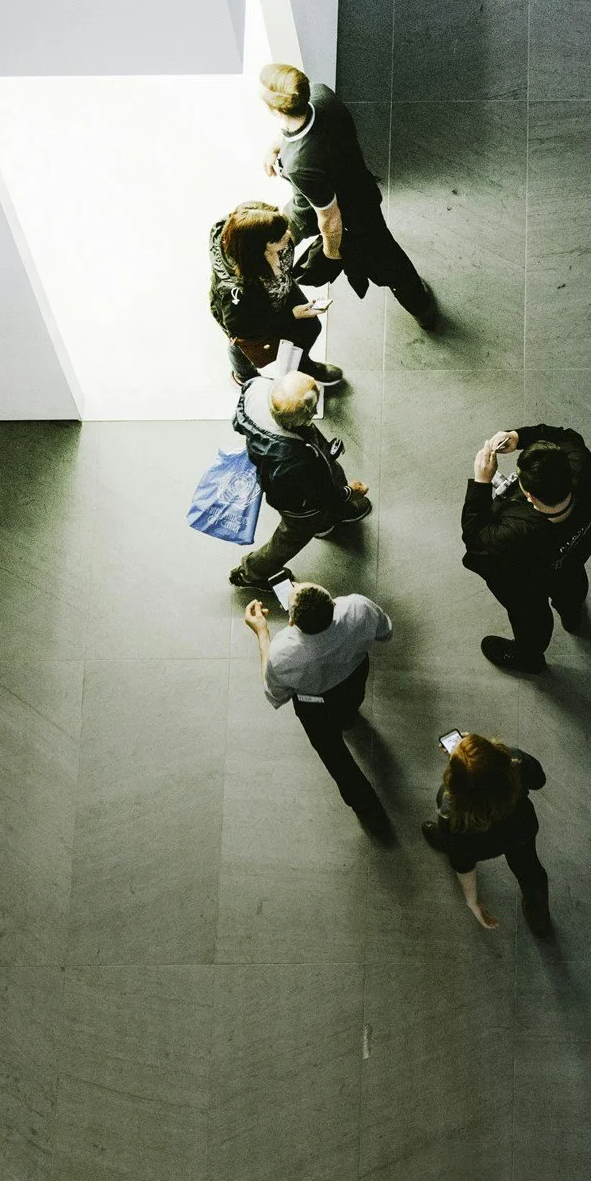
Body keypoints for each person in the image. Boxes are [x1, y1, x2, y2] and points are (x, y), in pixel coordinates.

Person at [260, 62, 436, 319]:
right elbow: (293, 130)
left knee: (387, 262)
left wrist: (332, 252)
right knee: (387, 254)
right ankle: (420, 302)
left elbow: (330, 220)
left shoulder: (300, 164)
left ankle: (423, 309)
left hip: (347, 216)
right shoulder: (322, 95)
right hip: (359, 190)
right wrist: (275, 148)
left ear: (277, 110)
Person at [243, 581, 393, 836]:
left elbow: (274, 693)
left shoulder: (283, 652)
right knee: (350, 707)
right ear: (333, 602)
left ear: (291, 621)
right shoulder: (358, 607)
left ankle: (369, 810)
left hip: (316, 705)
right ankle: (347, 719)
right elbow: (385, 632)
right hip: (354, 677)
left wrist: (262, 632)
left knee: (334, 755)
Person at [461, 424, 591, 673]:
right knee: (572, 586)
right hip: (575, 554)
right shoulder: (583, 467)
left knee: (532, 621)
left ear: (531, 497)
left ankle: (528, 656)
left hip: (529, 582)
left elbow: (475, 539)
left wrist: (482, 482)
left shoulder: (514, 532)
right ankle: (572, 617)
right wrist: (519, 437)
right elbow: (566, 436)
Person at [229, 371, 370, 590]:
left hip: (279, 468)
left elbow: (238, 422)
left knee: (328, 480)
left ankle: (329, 519)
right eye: (313, 410)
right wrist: (350, 492)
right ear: (301, 421)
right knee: (291, 537)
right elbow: (323, 494)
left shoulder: (256, 389)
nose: (315, 411)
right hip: (300, 506)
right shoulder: (297, 460)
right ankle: (252, 573)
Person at [422, 733, 552, 935]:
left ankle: (442, 841)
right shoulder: (515, 761)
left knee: (452, 843)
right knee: (529, 868)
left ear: (455, 781)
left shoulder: (451, 809)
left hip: (478, 846)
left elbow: (463, 865)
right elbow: (539, 780)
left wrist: (473, 902)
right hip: (521, 829)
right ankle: (540, 919)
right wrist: (478, 754)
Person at [208, 201, 341, 387]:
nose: (288, 234)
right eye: (278, 238)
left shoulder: (257, 234)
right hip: (251, 316)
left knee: (311, 327)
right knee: (243, 348)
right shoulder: (236, 291)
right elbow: (245, 330)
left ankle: (302, 365)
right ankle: (244, 376)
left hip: (280, 290)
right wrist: (292, 314)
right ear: (259, 248)